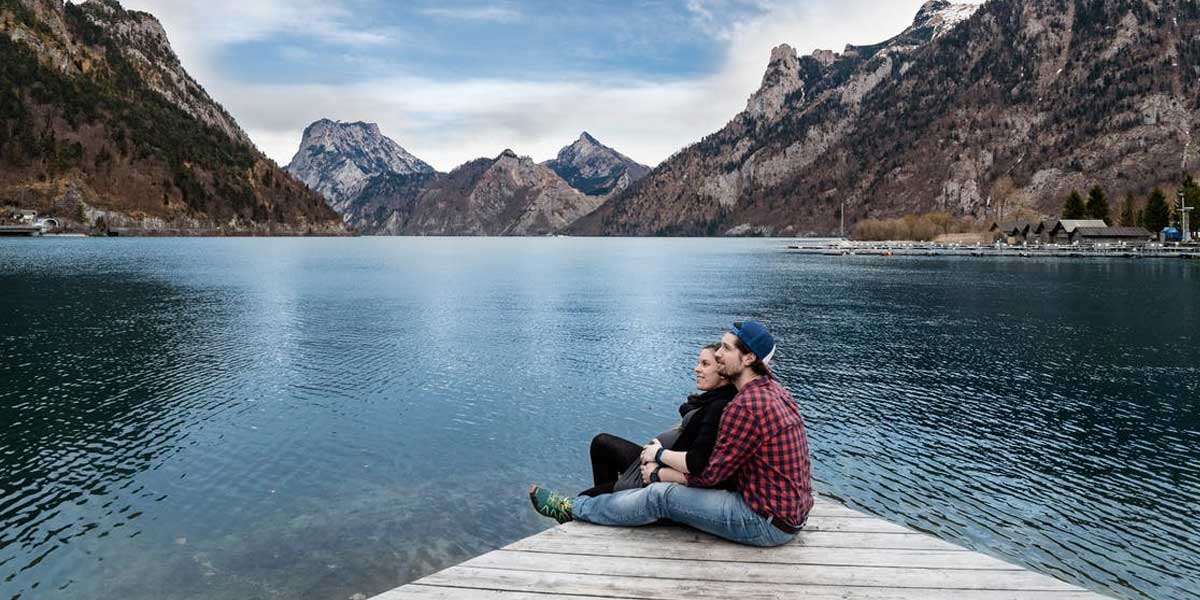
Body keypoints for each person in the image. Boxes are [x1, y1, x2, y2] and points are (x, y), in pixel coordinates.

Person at [529, 321, 813, 548]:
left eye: (726, 349)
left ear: (749, 357)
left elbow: (709, 475)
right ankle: (594, 511)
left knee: (660, 497)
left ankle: (573, 509)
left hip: (763, 522)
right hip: (787, 514)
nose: (718, 354)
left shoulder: (745, 405)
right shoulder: (773, 390)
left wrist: (659, 472)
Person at [581, 343, 737, 497]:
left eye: (705, 364)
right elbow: (692, 414)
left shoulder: (718, 407)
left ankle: (611, 500)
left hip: (657, 474)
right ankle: (610, 500)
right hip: (656, 464)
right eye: (698, 363)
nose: (697, 369)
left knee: (585, 498)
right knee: (601, 444)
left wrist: (658, 456)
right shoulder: (712, 400)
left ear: (723, 371)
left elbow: (697, 462)